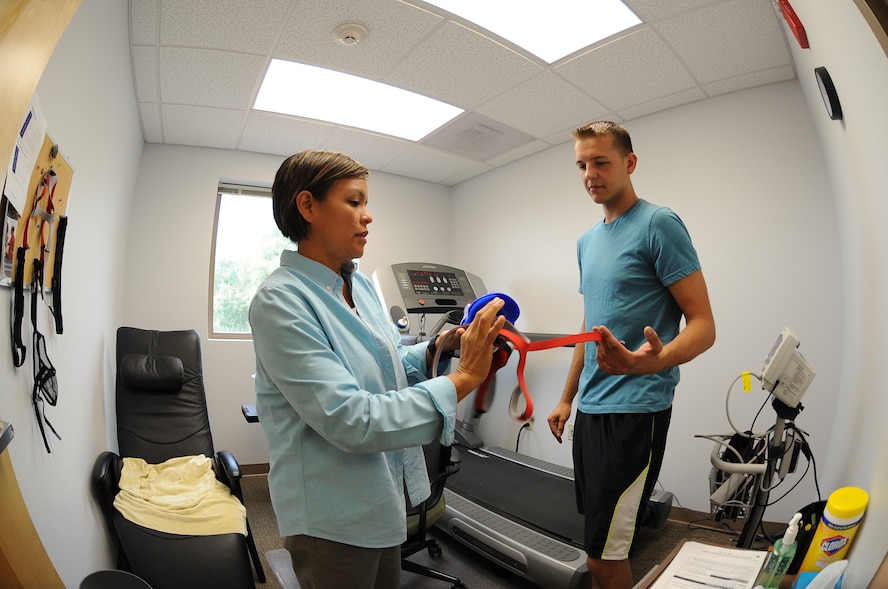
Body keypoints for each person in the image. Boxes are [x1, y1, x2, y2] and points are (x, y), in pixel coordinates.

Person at [249, 149, 506, 589]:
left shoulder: (361, 287)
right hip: (331, 520)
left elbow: (387, 366)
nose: (368, 217)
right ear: (307, 206)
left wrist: (438, 350)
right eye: (354, 202)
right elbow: (352, 419)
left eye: (366, 203)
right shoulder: (281, 301)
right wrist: (463, 379)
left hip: (382, 497)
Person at [547, 121, 716, 589]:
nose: (589, 173)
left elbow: (704, 326)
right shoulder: (586, 241)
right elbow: (590, 325)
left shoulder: (658, 223)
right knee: (598, 543)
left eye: (600, 161)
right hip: (591, 408)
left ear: (629, 163)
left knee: (605, 557)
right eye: (582, 164)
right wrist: (567, 397)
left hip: (635, 411)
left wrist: (650, 362)